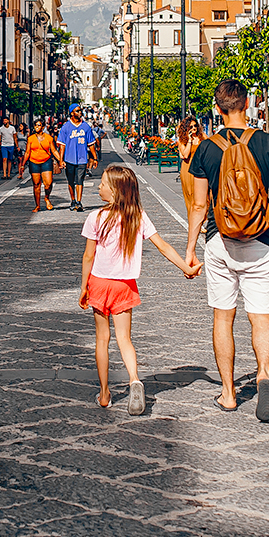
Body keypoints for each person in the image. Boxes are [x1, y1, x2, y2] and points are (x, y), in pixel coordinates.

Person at [185, 79, 269, 422]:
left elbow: (198, 205)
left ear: (218, 108)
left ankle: (227, 393)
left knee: (224, 315)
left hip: (220, 242)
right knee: (261, 314)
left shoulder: (206, 149)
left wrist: (190, 249)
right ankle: (265, 374)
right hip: (261, 241)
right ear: (248, 103)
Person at [79, 164, 197, 413]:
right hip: (125, 285)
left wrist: (83, 286)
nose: (99, 188)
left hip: (99, 283)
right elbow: (163, 246)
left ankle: (104, 393)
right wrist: (185, 268)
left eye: (102, 184)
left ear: (114, 191)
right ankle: (134, 379)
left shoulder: (95, 218)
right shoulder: (138, 216)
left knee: (102, 339)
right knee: (125, 339)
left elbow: (88, 256)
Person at [55, 105, 98, 211]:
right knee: (71, 181)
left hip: (82, 159)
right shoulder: (66, 127)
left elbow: (91, 144)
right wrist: (61, 160)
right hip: (69, 158)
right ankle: (73, 200)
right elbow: (62, 146)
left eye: (80, 111)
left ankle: (79, 202)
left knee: (80, 180)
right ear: (72, 113)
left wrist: (95, 158)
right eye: (77, 111)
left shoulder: (86, 127)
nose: (80, 113)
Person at [25, 119, 58, 211]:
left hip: (46, 161)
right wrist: (22, 165)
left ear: (43, 127)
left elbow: (54, 150)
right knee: (36, 184)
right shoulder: (30, 139)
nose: (37, 127)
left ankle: (47, 197)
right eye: (35, 125)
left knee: (48, 183)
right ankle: (37, 205)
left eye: (39, 125)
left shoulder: (49, 138)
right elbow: (27, 152)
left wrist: (60, 160)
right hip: (34, 162)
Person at [176, 117, 202, 213]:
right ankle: (193, 220)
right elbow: (185, 154)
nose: (194, 128)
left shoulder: (202, 137)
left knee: (204, 195)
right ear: (186, 128)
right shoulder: (183, 140)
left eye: (195, 125)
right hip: (188, 168)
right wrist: (190, 140)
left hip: (200, 167)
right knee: (191, 195)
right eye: (191, 126)